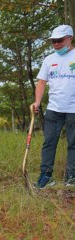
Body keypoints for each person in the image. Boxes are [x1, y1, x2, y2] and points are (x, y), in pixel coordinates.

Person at [33, 25, 75, 189]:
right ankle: (46, 176)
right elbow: (42, 82)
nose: (56, 44)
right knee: (49, 142)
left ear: (70, 38)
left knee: (73, 143)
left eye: (59, 41)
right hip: (54, 109)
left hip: (73, 110)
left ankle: (71, 176)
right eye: (53, 41)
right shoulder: (49, 59)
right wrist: (37, 102)